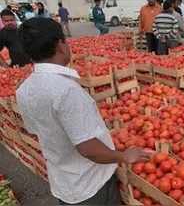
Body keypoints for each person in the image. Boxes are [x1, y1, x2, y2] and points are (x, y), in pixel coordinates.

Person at [16, 17, 153, 205]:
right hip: (90, 185)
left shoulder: (24, 90)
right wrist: (123, 156)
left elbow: (35, 129)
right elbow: (88, 149)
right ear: (60, 44)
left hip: (64, 181)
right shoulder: (66, 90)